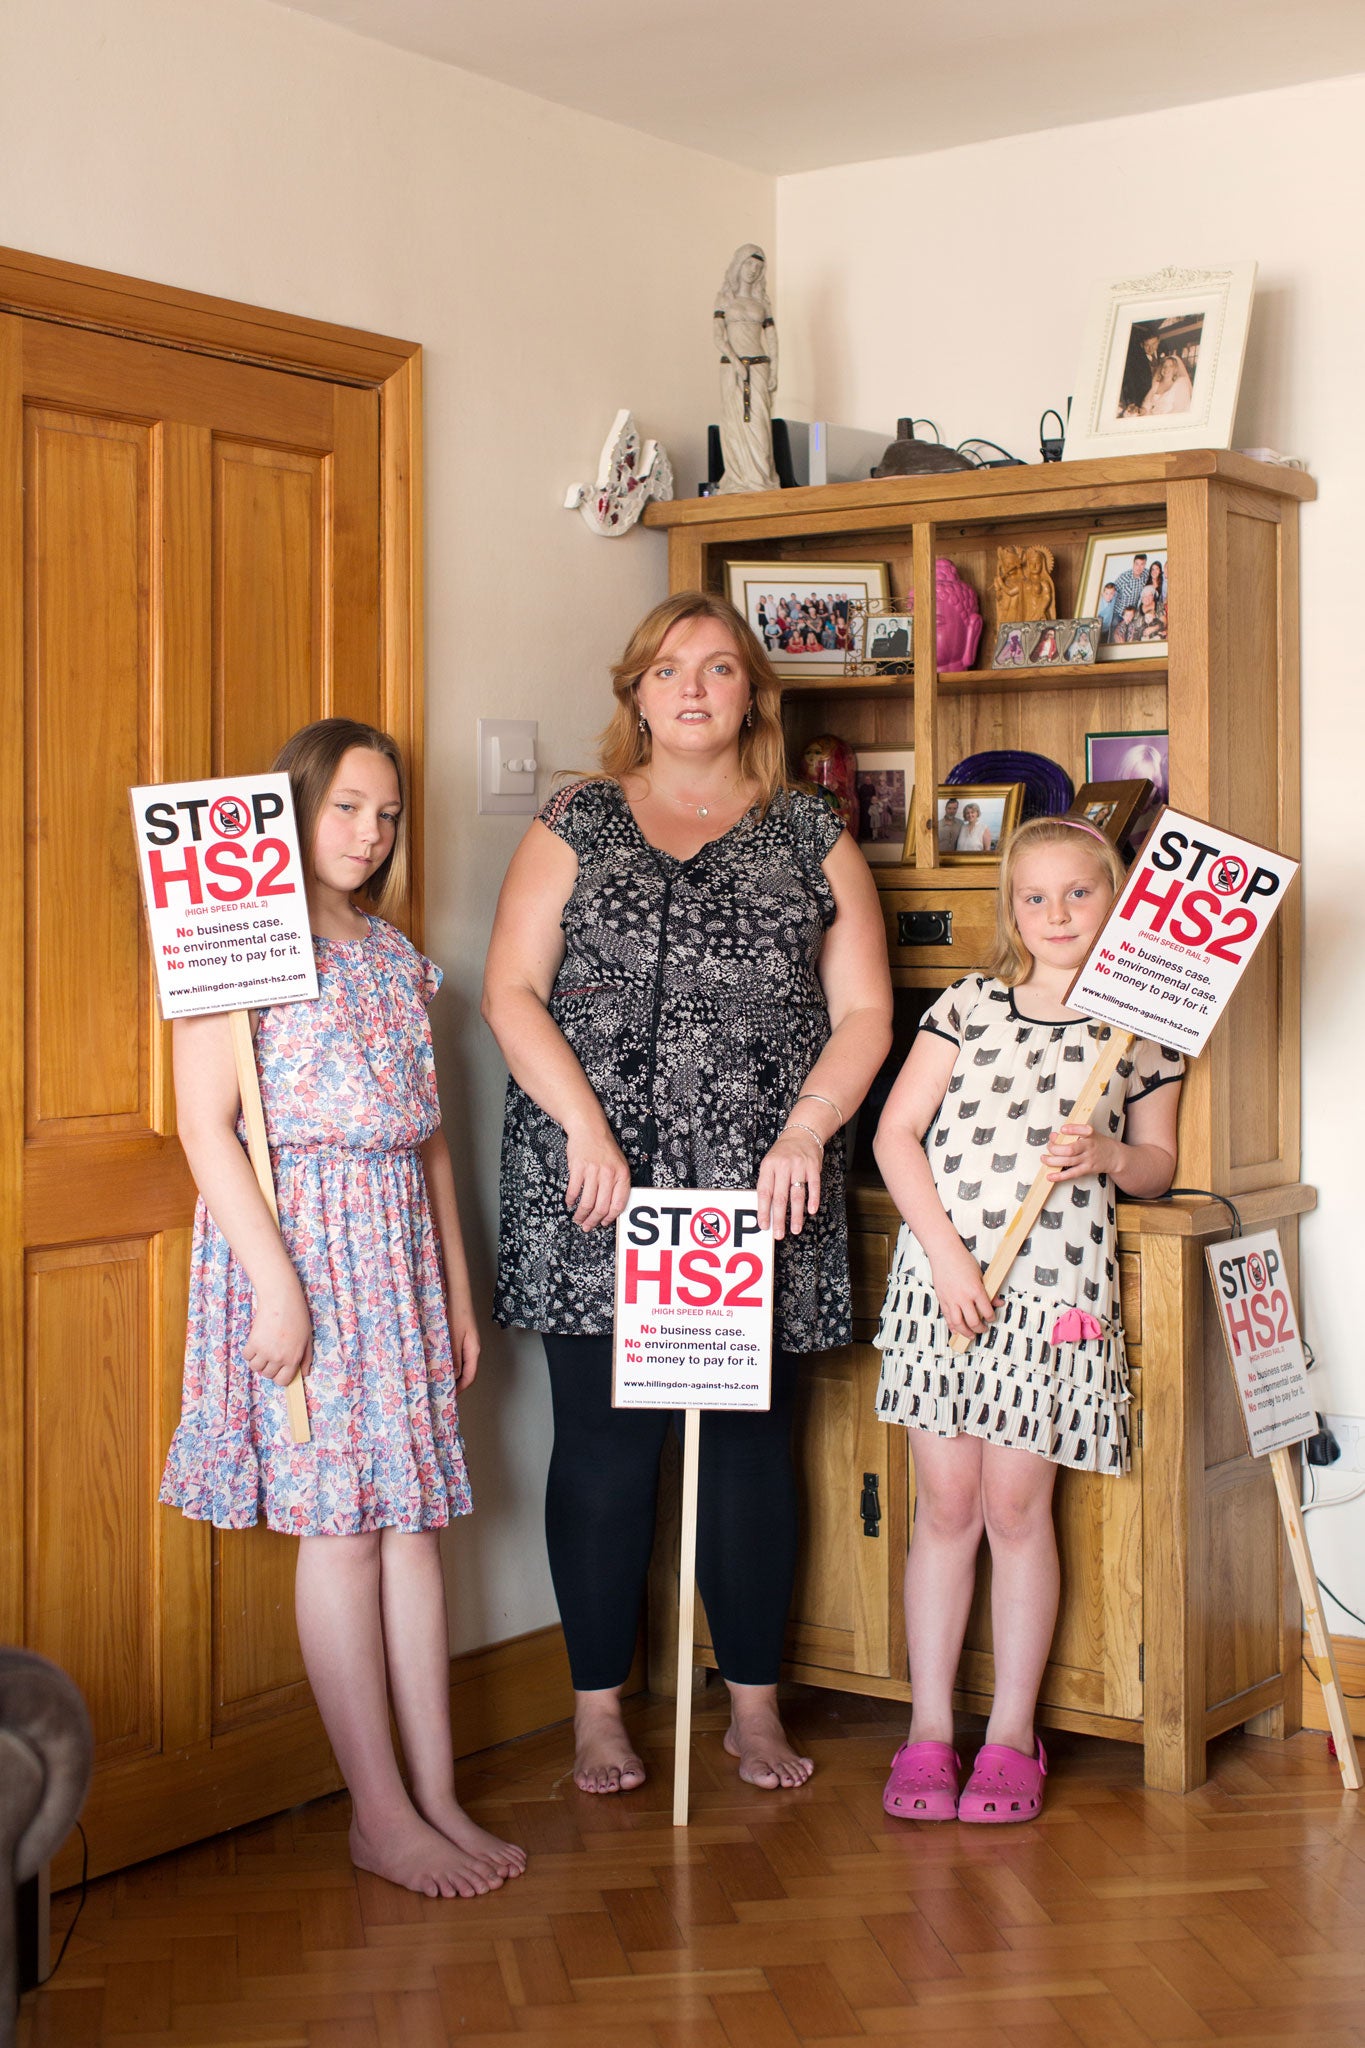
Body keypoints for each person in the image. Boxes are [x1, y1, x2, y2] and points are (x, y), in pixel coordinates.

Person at [483, 591, 892, 1796]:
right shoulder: (575, 818)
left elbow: (867, 1010)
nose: (695, 688)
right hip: (592, 1179)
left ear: (752, 694)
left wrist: (810, 1126)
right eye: (670, 670)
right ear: (637, 694)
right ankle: (598, 1709)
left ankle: (753, 1708)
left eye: (720, 668)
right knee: (604, 1451)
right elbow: (513, 992)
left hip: (757, 1187)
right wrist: (585, 1125)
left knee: (750, 1450)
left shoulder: (811, 829)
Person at [159, 719, 525, 1901]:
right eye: (345, 809)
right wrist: (277, 1284)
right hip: (302, 1250)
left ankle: (436, 1794)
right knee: (345, 1528)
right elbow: (206, 1126)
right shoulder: (238, 947)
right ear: (290, 811)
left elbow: (424, 1143)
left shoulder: (396, 957)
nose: (369, 833)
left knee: (415, 1525)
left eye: (388, 812)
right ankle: (378, 1811)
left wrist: (459, 1294)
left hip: (399, 1254)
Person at [872, 818, 1182, 1824]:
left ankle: (1011, 1730)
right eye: (1034, 897)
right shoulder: (967, 1005)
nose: (1056, 914)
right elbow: (896, 1134)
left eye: (1078, 894)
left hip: (1052, 1292)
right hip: (946, 1283)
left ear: (1115, 896)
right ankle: (927, 1728)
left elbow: (1159, 1164)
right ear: (1011, 909)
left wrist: (1107, 1158)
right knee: (946, 1507)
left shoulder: (1139, 1034)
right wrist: (950, 1259)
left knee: (1015, 1511)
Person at [714, 244, 779, 493]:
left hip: (759, 367)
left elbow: (772, 340)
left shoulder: (762, 302)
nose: (753, 270)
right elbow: (718, 337)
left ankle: (760, 479)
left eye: (758, 266)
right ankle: (739, 478)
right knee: (735, 424)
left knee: (759, 426)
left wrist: (774, 371)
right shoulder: (724, 299)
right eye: (749, 264)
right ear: (739, 264)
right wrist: (734, 360)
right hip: (732, 370)